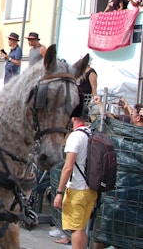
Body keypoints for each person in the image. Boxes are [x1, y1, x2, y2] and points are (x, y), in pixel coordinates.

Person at [53, 105, 98, 249]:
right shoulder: (90, 133)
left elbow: (67, 168)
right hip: (90, 189)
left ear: (73, 118)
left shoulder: (75, 136)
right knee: (81, 228)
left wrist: (59, 192)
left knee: (75, 229)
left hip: (76, 189)